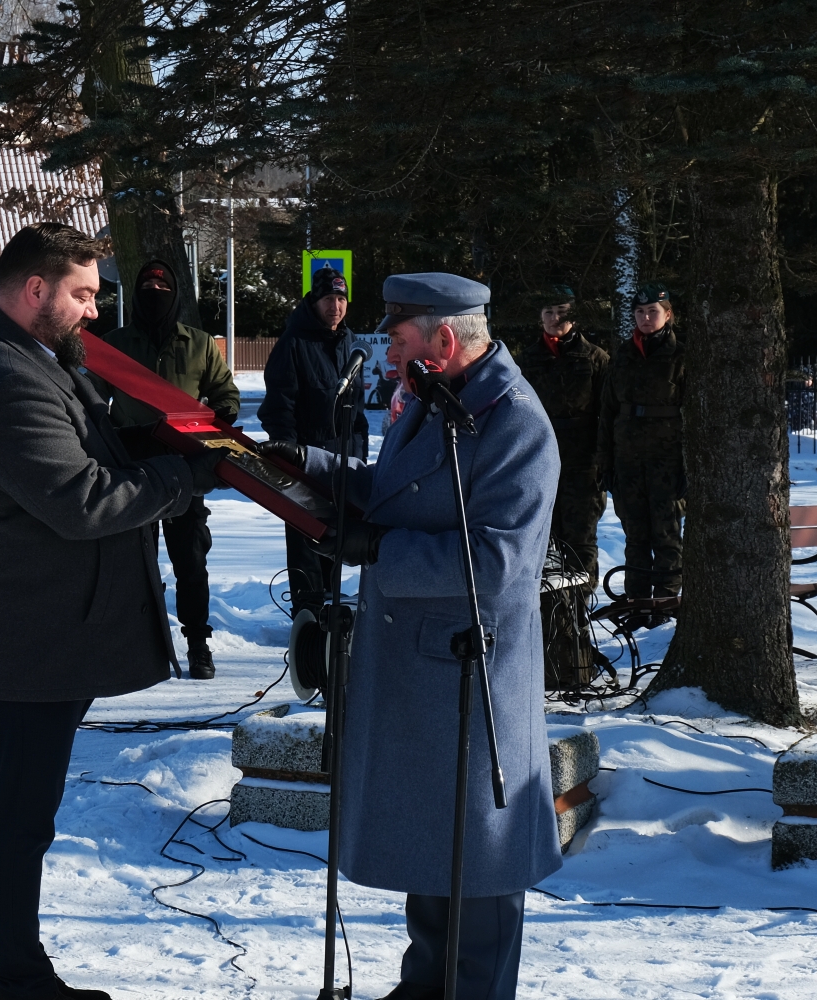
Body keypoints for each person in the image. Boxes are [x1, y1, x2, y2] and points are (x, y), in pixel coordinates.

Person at [0, 223, 225, 1000]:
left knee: (20, 813)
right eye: (84, 294)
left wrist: (165, 439)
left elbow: (93, 444)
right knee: (20, 818)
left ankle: (16, 974)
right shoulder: (7, 374)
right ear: (37, 290)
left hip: (40, 628)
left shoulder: (29, 353)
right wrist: (183, 475)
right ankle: (16, 982)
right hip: (23, 638)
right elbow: (82, 501)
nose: (95, 311)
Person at [260, 273, 560, 1000]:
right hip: (424, 675)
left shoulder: (512, 420)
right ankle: (426, 987)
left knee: (478, 876)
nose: (386, 354)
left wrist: (377, 552)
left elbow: (499, 558)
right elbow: (400, 488)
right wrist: (311, 466)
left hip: (470, 679)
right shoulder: (439, 403)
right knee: (436, 854)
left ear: (443, 339)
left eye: (396, 340)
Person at [96, 259, 241, 680]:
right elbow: (90, 401)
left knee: (191, 562)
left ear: (175, 295)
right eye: (146, 290)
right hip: (132, 470)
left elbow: (224, 392)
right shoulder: (115, 345)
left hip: (185, 469)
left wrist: (221, 416)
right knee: (133, 563)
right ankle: (134, 644)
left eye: (162, 290)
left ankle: (198, 644)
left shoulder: (198, 344)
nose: (154, 297)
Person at [512, 285, 611, 690]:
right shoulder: (526, 362)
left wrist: (605, 464)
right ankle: (550, 628)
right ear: (540, 317)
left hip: (581, 470)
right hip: (538, 468)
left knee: (580, 545)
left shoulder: (595, 359)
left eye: (564, 311)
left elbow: (609, 415)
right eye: (550, 310)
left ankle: (578, 623)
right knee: (542, 549)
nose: (557, 318)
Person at [259, 270, 368, 617]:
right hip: (304, 461)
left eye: (341, 300)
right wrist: (289, 463)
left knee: (338, 540)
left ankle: (331, 617)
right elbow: (279, 409)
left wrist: (359, 454)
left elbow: (359, 409)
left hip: (343, 461)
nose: (335, 307)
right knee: (307, 543)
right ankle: (306, 619)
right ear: (314, 302)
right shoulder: (294, 343)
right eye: (328, 300)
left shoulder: (350, 343)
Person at [597, 284, 686, 624]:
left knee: (666, 536)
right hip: (628, 461)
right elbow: (607, 412)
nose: (646, 318)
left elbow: (693, 415)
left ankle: (664, 608)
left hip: (667, 461)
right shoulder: (623, 355)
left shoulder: (681, 356)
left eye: (653, 311)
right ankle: (637, 604)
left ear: (668, 314)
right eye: (640, 312)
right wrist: (605, 463)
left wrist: (687, 468)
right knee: (635, 536)